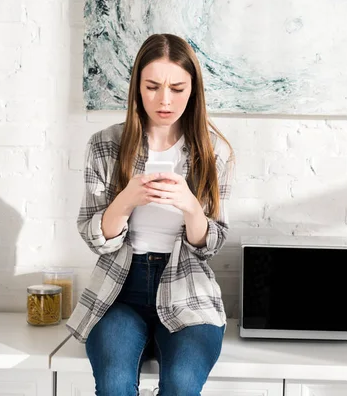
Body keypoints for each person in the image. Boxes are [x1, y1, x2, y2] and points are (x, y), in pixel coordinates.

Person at [66, 33, 235, 396]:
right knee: (113, 384)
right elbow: (94, 237)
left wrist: (190, 205)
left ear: (193, 90)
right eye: (153, 86)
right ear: (137, 88)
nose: (164, 100)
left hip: (187, 290)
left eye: (177, 88)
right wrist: (126, 199)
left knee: (182, 384)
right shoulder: (105, 145)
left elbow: (213, 243)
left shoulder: (213, 152)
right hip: (120, 290)